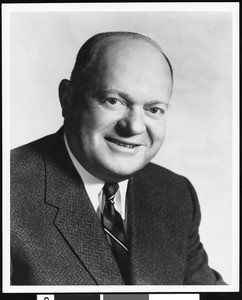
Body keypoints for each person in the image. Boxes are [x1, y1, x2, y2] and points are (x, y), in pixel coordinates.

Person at [11, 31, 225, 285]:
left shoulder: (175, 194)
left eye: (153, 109)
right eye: (113, 101)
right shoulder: (10, 190)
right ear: (67, 99)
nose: (134, 126)